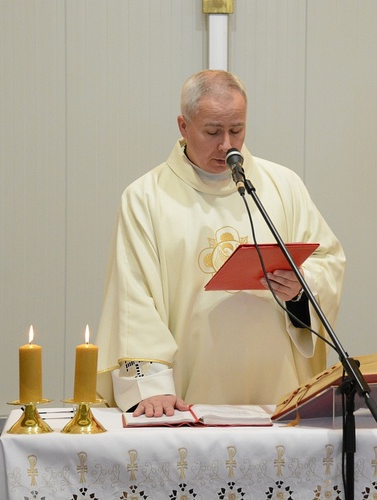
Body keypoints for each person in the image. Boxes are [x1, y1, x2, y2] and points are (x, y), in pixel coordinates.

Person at [95, 69, 345, 417]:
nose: (226, 144)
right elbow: (134, 299)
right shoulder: (146, 198)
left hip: (278, 397)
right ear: (183, 126)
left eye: (237, 129)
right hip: (185, 401)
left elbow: (327, 261)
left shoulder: (283, 186)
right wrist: (151, 389)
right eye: (212, 131)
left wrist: (300, 293)